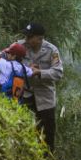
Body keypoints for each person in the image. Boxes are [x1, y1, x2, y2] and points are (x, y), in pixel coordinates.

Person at [19, 22, 63, 151]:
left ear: (39, 39)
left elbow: (58, 72)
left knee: (47, 136)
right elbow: (5, 53)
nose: (26, 39)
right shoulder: (21, 46)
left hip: (45, 98)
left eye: (29, 37)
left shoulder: (51, 50)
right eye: (26, 36)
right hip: (26, 94)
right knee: (23, 129)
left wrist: (40, 73)